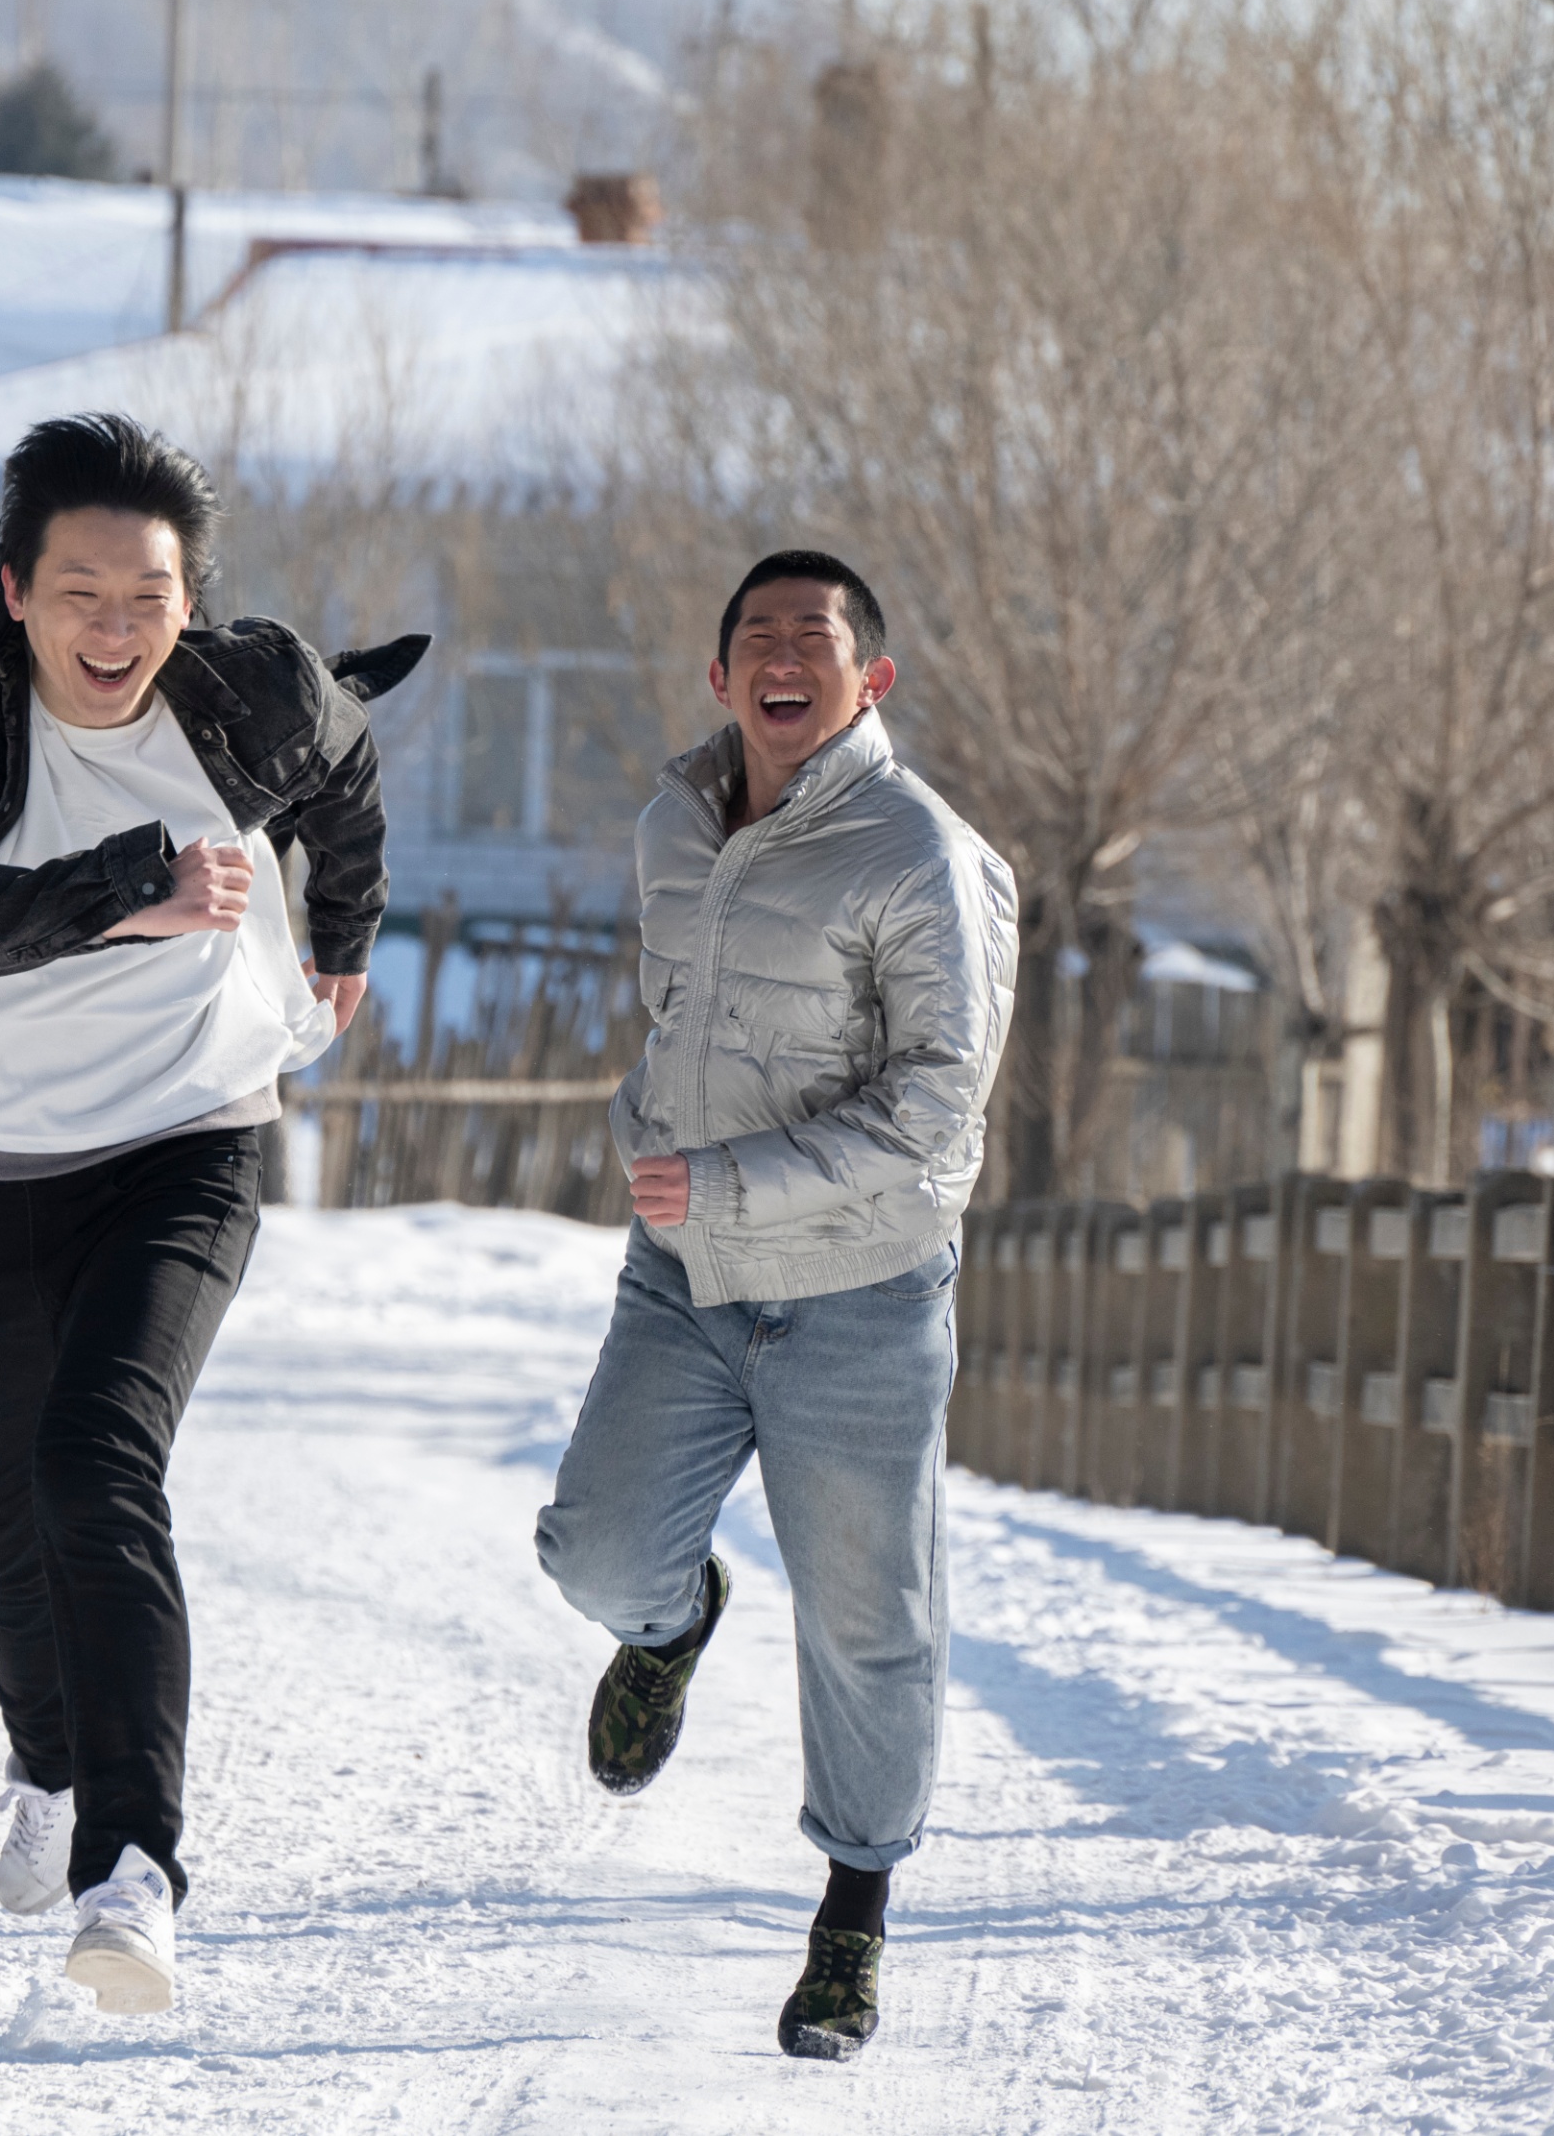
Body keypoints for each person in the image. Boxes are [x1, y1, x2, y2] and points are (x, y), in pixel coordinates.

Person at [0, 412, 420, 2015]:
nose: (115, 630)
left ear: (192, 602)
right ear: (14, 590)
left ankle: (132, 1866)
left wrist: (342, 931)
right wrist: (130, 886)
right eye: (80, 593)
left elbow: (350, 764)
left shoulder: (257, 692)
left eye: (148, 596)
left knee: (94, 1456)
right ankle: (44, 1752)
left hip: (189, 1129)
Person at [533, 551, 1017, 2062]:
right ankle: (669, 1627)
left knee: (870, 1627)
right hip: (683, 1279)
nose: (784, 653)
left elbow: (940, 1105)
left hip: (861, 1297)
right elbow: (676, 1018)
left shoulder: (926, 855)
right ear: (719, 676)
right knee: (592, 1552)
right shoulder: (672, 823)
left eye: (818, 637)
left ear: (869, 682)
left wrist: (729, 1184)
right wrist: (646, 1130)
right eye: (757, 635)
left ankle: (850, 1921)